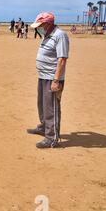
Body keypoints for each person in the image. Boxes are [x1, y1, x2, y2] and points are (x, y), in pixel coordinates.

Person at [27, 12, 70, 149]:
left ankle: (52, 138)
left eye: (40, 25)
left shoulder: (60, 35)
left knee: (51, 108)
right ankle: (44, 127)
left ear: (47, 24)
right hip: (43, 76)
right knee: (42, 105)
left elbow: (62, 59)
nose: (39, 28)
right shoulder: (47, 34)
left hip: (52, 78)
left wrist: (56, 80)